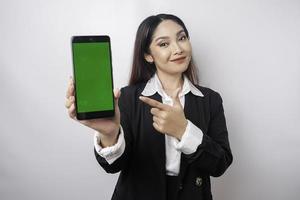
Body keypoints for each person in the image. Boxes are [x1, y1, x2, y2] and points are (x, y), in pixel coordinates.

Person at [65, 13, 233, 200]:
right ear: (148, 55)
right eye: (163, 44)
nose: (178, 48)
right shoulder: (127, 97)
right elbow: (112, 166)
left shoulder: (210, 100)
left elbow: (220, 164)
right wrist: (109, 134)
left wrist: (184, 131)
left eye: (182, 38)